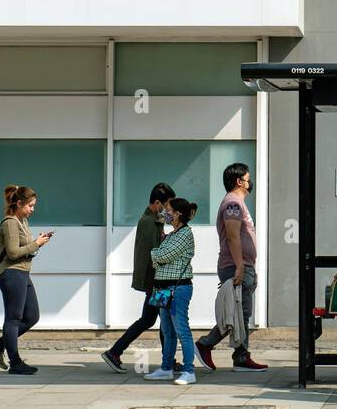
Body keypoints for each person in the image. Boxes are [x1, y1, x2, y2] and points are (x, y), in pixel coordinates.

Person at [196, 163, 267, 372]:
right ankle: (229, 352)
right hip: (236, 265)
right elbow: (233, 236)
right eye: (247, 177)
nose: (249, 181)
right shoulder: (233, 204)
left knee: (238, 312)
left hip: (243, 265)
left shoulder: (236, 203)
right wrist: (239, 266)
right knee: (238, 312)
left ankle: (236, 354)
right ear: (239, 181)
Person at [101, 182, 177, 373]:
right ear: (157, 203)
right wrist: (154, 283)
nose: (169, 210)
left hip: (155, 281)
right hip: (156, 281)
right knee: (163, 321)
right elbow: (151, 254)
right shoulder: (149, 223)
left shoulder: (154, 220)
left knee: (150, 320)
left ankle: (115, 352)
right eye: (167, 205)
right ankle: (168, 360)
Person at [0, 185, 53, 375]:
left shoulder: (22, 222)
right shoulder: (10, 223)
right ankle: (15, 362)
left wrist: (37, 243)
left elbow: (25, 248)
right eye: (30, 205)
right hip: (11, 273)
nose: (33, 209)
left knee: (32, 316)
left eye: (34, 205)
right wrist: (35, 244)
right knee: (13, 318)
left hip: (23, 272)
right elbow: (13, 253)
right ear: (19, 203)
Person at [144, 197, 200, 385]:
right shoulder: (172, 234)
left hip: (178, 288)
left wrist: (154, 254)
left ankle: (189, 371)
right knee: (167, 330)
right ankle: (166, 368)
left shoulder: (185, 234)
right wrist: (157, 255)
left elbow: (163, 255)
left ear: (178, 214)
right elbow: (159, 257)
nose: (165, 214)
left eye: (168, 210)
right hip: (162, 287)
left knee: (182, 329)